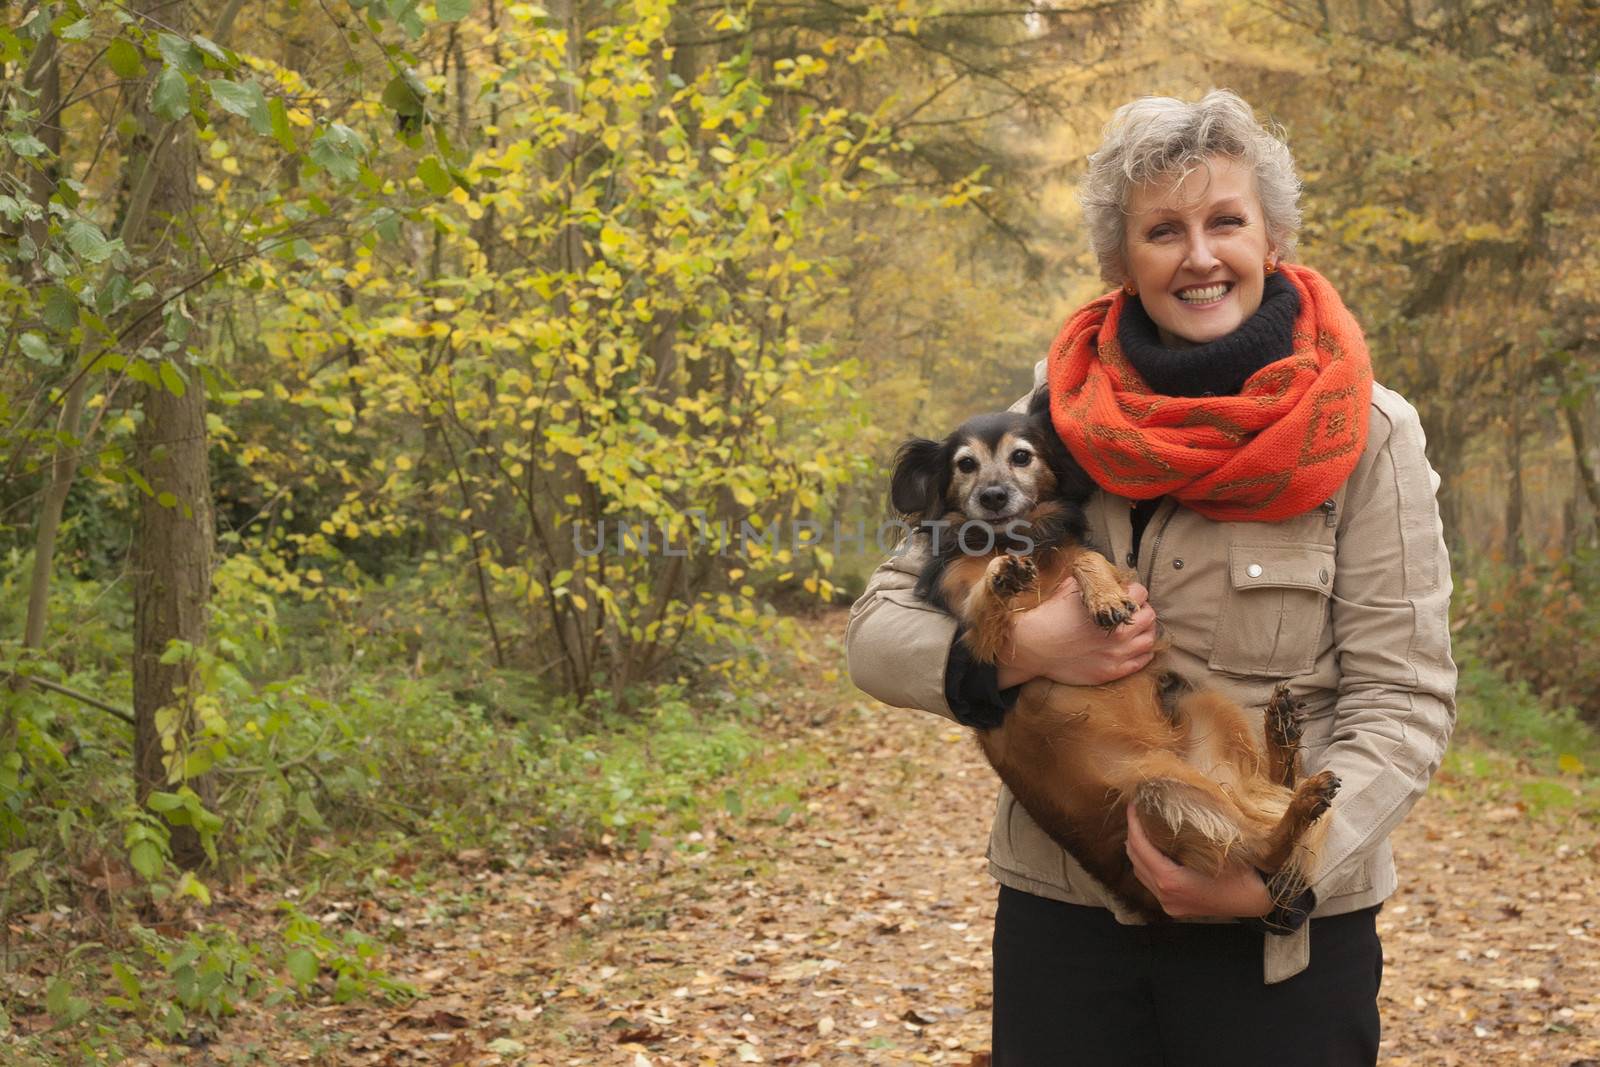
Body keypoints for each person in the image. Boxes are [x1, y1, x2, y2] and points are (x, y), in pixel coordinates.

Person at [845, 90, 1456, 1066]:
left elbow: (1405, 691)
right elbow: (876, 630)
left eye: (1225, 221)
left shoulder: (1368, 434)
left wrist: (1281, 873)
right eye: (1162, 229)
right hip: (1067, 929)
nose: (1199, 255)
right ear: (1121, 257)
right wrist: (1014, 651)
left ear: (1273, 236)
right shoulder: (1040, 426)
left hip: (1281, 948)